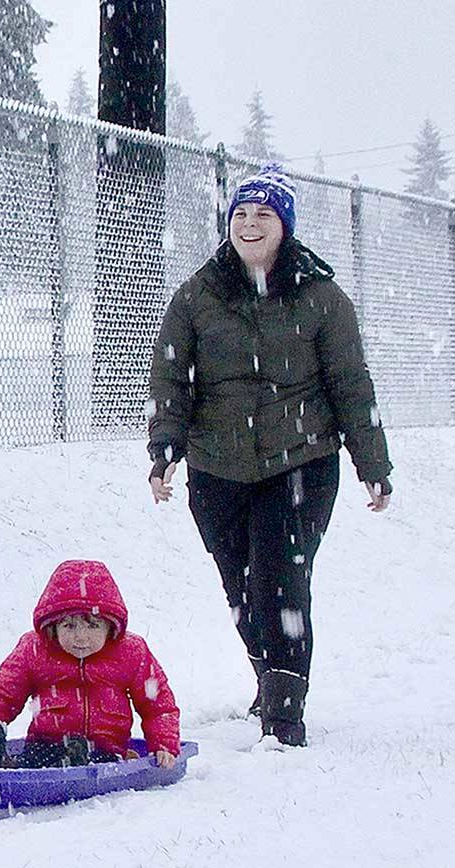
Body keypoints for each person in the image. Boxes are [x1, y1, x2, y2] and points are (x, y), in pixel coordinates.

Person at [147, 164, 391, 747]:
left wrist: (373, 465)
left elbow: (350, 386)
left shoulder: (323, 298)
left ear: (285, 226)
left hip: (299, 463)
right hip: (216, 467)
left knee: (280, 585)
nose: (250, 224)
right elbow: (172, 376)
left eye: (264, 214)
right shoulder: (197, 294)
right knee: (240, 588)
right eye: (241, 214)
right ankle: (268, 678)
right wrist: (165, 449)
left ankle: (285, 714)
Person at [0, 560, 180, 770]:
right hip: (42, 745)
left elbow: (157, 703)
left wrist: (163, 744)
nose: (80, 637)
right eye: (69, 626)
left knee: (87, 756)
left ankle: (75, 759)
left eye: (92, 626)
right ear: (53, 627)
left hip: (104, 750)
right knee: (33, 761)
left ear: (110, 627)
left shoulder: (130, 651)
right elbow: (1, 696)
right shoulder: (35, 650)